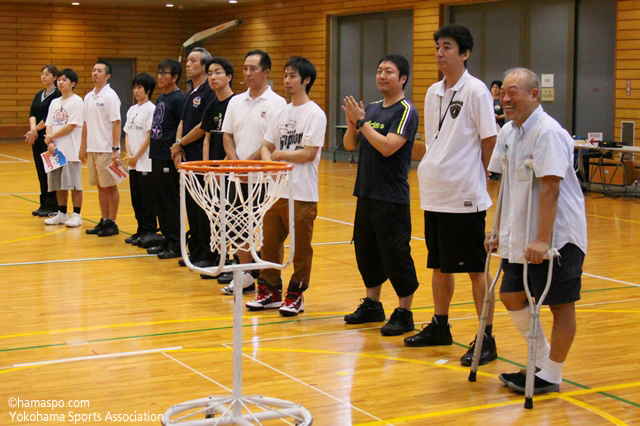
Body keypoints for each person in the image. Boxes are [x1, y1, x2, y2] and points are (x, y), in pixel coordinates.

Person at [404, 24, 499, 366]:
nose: (440, 52)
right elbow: (435, 142)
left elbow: (490, 140)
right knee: (439, 264)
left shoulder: (476, 92)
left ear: (465, 53)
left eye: (447, 47)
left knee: (475, 268)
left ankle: (486, 338)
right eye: (437, 47)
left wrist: (484, 178)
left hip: (464, 194)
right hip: (435, 193)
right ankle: (440, 325)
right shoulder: (432, 92)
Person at [489, 67, 587, 394]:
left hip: (558, 236)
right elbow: (503, 186)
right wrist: (496, 229)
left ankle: (552, 374)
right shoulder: (508, 132)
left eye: (513, 91)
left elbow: (551, 189)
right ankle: (543, 360)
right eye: (503, 91)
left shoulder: (548, 133)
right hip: (520, 232)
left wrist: (543, 240)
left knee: (560, 305)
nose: (505, 97)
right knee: (510, 294)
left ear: (534, 94)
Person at [342, 54, 420, 336]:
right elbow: (350, 145)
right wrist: (353, 125)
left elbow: (388, 146)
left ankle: (405, 312)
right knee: (366, 252)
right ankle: (373, 305)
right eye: (379, 70)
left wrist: (362, 123)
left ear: (403, 79)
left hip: (392, 197)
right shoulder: (372, 109)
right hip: (366, 193)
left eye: (389, 71)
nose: (382, 75)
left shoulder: (405, 111)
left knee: (396, 255)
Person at [246, 56, 326, 316]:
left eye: (293, 76)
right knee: (270, 243)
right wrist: (270, 164)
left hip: (302, 193)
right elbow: (267, 146)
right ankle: (269, 290)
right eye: (285, 75)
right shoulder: (280, 112)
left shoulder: (315, 114)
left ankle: (296, 293)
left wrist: (279, 157)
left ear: (306, 80)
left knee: (301, 249)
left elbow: (308, 153)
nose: (287, 81)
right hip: (275, 193)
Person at [221, 49, 287, 294]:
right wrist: (235, 162)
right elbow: (227, 135)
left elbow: (269, 143)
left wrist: (246, 164)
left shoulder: (278, 104)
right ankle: (245, 273)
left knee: (266, 230)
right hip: (236, 176)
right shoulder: (235, 101)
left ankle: (268, 279)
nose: (248, 73)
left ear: (266, 72)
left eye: (253, 69)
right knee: (238, 225)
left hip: (264, 178)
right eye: (245, 68)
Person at [169, 47, 216, 263]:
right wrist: (178, 147)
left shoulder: (209, 92)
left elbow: (202, 126)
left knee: (203, 208)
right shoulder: (191, 93)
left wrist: (182, 142)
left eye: (193, 61)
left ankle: (208, 253)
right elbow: (182, 121)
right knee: (190, 206)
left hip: (201, 158)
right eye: (187, 61)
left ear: (204, 66)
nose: (188, 64)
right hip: (187, 158)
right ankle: (196, 250)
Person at [197, 57, 236, 281]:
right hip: (213, 170)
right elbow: (207, 137)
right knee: (214, 215)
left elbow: (232, 140)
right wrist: (207, 167)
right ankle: (218, 260)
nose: (213, 77)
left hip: (230, 169)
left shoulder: (235, 103)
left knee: (230, 215)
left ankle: (231, 261)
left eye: (218, 72)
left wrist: (222, 164)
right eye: (210, 73)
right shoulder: (212, 104)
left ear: (229, 77)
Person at [147, 59, 186, 259]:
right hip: (156, 154)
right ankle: (167, 238)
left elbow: (182, 124)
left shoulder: (179, 99)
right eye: (159, 73)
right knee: (159, 200)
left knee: (170, 201)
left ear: (175, 77)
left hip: (168, 156)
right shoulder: (162, 97)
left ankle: (177, 243)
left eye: (165, 73)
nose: (160, 77)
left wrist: (177, 148)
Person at [81, 61, 122, 237]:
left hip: (106, 149)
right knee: (100, 187)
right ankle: (104, 219)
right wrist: (83, 146)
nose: (95, 73)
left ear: (107, 76)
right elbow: (85, 124)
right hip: (92, 148)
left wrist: (115, 148)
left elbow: (116, 123)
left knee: (110, 186)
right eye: (93, 70)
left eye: (99, 71)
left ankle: (112, 222)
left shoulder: (110, 96)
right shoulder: (88, 97)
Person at [42, 68, 84, 228]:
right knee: (59, 183)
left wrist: (52, 137)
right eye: (59, 79)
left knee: (74, 184)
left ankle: (77, 214)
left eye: (64, 80)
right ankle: (62, 213)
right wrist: (50, 142)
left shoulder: (77, 101)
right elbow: (49, 124)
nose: (60, 82)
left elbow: (71, 125)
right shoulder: (54, 102)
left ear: (72, 83)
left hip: (71, 150)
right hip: (56, 150)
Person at [123, 73, 157, 246]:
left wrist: (136, 156)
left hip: (145, 163)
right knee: (136, 199)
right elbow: (127, 134)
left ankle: (150, 230)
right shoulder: (132, 110)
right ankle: (140, 229)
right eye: (135, 87)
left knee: (147, 199)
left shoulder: (151, 109)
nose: (136, 91)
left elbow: (149, 136)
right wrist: (130, 154)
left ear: (148, 90)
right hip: (133, 163)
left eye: (140, 88)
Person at [25, 65, 61, 217]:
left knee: (50, 171)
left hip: (49, 136)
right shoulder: (39, 94)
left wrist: (36, 130)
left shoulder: (57, 95)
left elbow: (49, 117)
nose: (44, 77)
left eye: (47, 74)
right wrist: (33, 129)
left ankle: (53, 205)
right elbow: (33, 112)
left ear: (54, 77)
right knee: (41, 170)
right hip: (37, 137)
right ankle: (43, 203)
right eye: (42, 74)